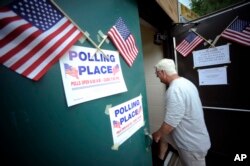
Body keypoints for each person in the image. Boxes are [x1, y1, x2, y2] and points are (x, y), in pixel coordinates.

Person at [152, 58, 211, 166]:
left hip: (191, 145)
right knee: (165, 136)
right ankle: (160, 160)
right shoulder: (186, 83)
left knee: (162, 133)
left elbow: (170, 124)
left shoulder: (175, 90)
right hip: (192, 136)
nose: (157, 77)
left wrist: (157, 134)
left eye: (157, 74)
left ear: (163, 72)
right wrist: (162, 134)